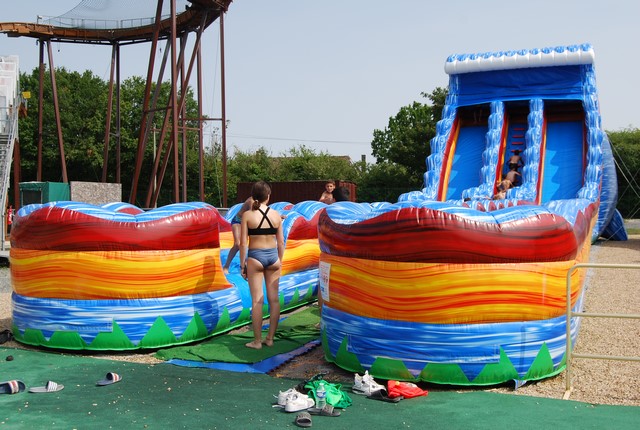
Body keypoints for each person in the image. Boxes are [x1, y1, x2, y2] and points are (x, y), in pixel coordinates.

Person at [240, 181, 285, 349]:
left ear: (253, 197)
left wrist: (242, 264)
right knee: (274, 300)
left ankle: (257, 341)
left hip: (255, 257)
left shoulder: (248, 215)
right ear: (268, 196)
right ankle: (270, 339)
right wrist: (280, 260)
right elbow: (281, 242)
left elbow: (243, 243)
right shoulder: (276, 215)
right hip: (273, 257)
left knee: (257, 301)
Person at [222, 197, 253, 275]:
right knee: (237, 244)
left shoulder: (261, 201)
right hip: (238, 221)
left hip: (247, 223)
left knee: (252, 245)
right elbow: (255, 214)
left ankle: (246, 265)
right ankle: (226, 266)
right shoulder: (251, 201)